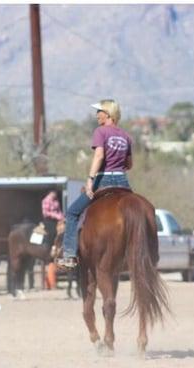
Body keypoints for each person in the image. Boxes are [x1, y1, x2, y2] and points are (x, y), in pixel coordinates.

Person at [57, 99, 133, 268]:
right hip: (123, 181)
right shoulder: (126, 136)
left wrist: (90, 180)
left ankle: (69, 255)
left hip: (103, 179)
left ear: (107, 114)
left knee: (72, 213)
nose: (96, 115)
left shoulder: (101, 132)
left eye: (99, 111)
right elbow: (129, 165)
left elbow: (99, 156)